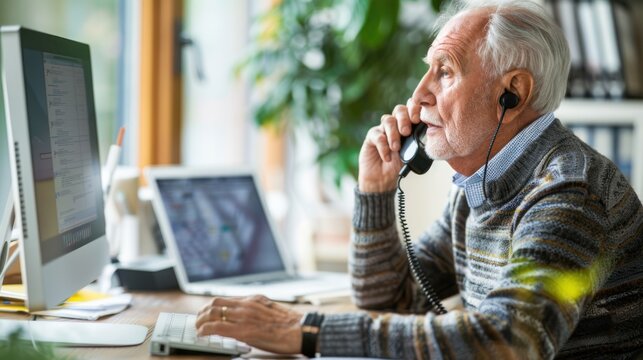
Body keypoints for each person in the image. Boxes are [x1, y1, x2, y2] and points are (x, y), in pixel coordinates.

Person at [195, 0, 643, 358]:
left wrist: (306, 330)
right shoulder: (479, 186)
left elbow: (508, 342)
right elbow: (387, 300)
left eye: (444, 72)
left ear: (513, 92)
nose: (418, 94)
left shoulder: (567, 195)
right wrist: (376, 189)